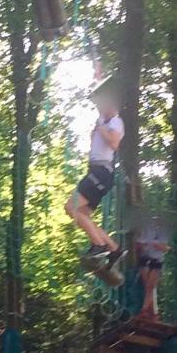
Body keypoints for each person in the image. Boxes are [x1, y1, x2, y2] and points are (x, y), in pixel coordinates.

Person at [65, 78, 126, 274]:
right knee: (82, 215)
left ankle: (99, 245)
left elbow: (114, 144)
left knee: (71, 207)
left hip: (101, 172)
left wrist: (100, 129)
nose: (99, 107)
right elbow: (100, 85)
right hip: (97, 173)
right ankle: (114, 248)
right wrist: (98, 73)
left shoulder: (115, 122)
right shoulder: (105, 119)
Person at [136, 218, 171, 318]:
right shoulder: (146, 230)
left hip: (157, 260)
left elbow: (165, 248)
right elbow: (139, 244)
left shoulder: (164, 233)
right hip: (145, 258)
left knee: (150, 286)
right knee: (147, 284)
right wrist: (144, 245)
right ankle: (151, 312)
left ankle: (145, 310)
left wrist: (158, 246)